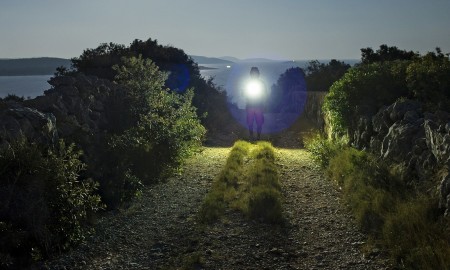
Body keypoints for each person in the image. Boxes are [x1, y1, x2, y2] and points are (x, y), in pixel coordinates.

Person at [243, 67, 267, 140]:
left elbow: (265, 95)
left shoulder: (261, 84)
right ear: (251, 74)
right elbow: (244, 94)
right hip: (251, 105)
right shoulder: (248, 83)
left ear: (258, 74)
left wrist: (264, 104)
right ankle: (251, 136)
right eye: (253, 73)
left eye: (255, 73)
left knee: (259, 123)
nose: (254, 74)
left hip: (258, 106)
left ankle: (258, 137)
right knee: (250, 123)